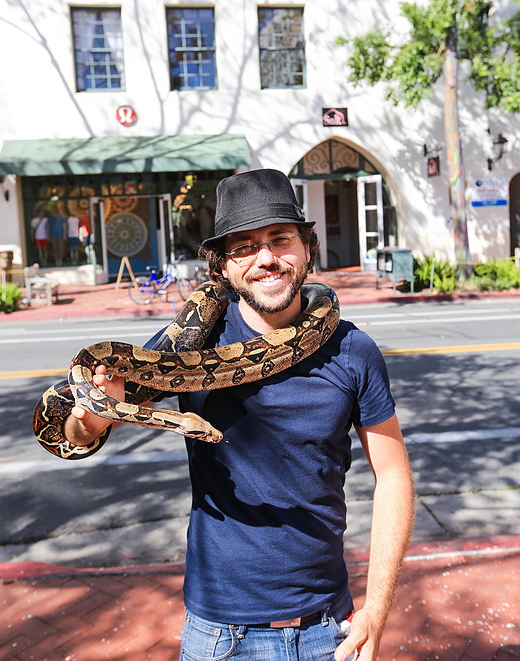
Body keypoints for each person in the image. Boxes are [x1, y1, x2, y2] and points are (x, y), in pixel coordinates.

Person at [64, 169, 415, 661]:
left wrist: (377, 609)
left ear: (307, 248)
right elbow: (78, 435)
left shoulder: (353, 350)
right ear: (223, 268)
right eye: (244, 247)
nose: (266, 258)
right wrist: (92, 420)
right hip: (219, 637)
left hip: (328, 629)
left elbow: (394, 474)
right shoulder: (188, 345)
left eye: (280, 239)